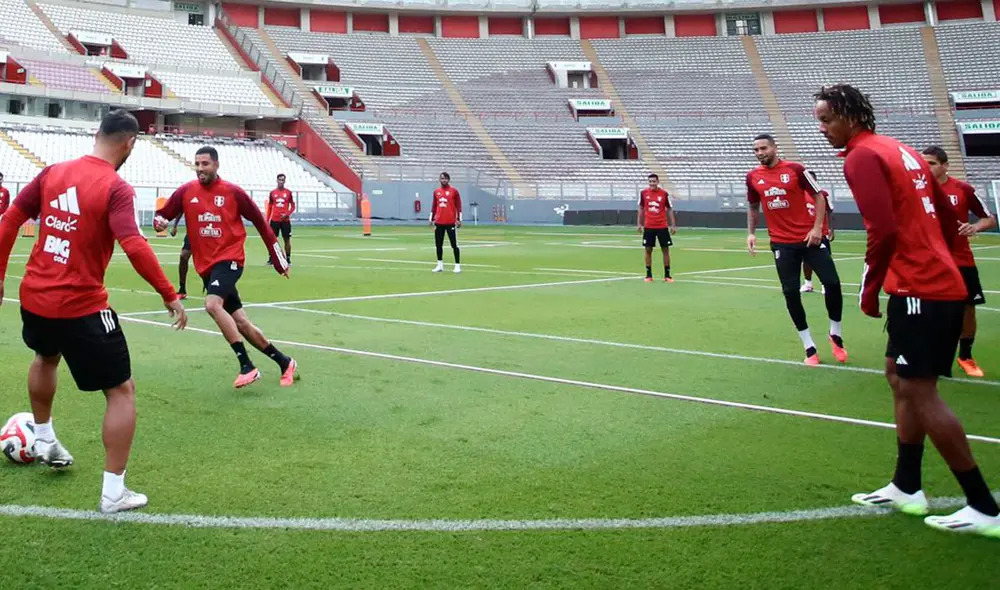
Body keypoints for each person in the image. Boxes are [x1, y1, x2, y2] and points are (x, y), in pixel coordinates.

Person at [815, 83, 999, 537]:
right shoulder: (904, 150)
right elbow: (947, 218)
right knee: (898, 378)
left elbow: (883, 229)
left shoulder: (861, 156)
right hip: (931, 281)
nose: (822, 128)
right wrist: (945, 261)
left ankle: (983, 507)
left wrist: (868, 289)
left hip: (920, 286)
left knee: (920, 390)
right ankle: (906, 486)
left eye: (826, 119)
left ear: (850, 117)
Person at [0, 110, 187, 513]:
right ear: (130, 143)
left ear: (97, 134)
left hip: (34, 298)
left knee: (45, 356)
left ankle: (44, 439)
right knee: (121, 390)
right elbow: (133, 244)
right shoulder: (116, 187)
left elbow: (10, 220)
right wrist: (168, 293)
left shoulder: (52, 172)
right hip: (81, 306)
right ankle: (113, 493)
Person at [154, 147, 297, 388]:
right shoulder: (186, 191)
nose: (200, 168)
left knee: (212, 304)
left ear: (216, 165)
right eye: (197, 164)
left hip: (230, 259)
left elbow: (261, 223)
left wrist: (278, 259)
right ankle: (285, 362)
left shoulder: (233, 192)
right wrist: (160, 221)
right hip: (206, 267)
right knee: (241, 322)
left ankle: (247, 366)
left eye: (205, 164)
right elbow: (163, 215)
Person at [746, 134, 847, 365]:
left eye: (763, 148)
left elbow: (819, 196)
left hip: (809, 239)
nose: (760, 153)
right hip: (781, 243)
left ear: (774, 148)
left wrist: (817, 228)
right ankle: (809, 346)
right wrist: (751, 233)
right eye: (756, 150)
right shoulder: (753, 177)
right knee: (791, 292)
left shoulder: (796, 169)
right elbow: (753, 206)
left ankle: (835, 334)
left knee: (832, 283)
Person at [921, 146, 996, 377]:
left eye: (932, 163)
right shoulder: (916, 189)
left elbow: (989, 218)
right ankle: (933, 356)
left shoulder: (962, 189)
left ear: (945, 166)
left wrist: (974, 227)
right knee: (930, 310)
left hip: (961, 260)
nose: (927, 168)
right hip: (929, 261)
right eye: (924, 163)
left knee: (967, 309)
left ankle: (965, 356)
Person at [637, 173, 677, 282]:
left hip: (662, 226)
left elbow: (669, 208)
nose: (652, 183)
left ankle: (667, 275)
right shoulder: (643, 193)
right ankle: (648, 275)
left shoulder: (664, 194)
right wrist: (639, 223)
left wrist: (673, 225)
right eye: (650, 181)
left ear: (658, 182)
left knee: (665, 249)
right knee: (648, 249)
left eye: (654, 181)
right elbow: (641, 208)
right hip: (649, 226)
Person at [801, 171, 834, 295]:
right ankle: (808, 283)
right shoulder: (799, 194)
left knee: (824, 259)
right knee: (806, 260)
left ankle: (825, 284)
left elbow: (829, 211)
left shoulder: (822, 194)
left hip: (821, 232)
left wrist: (831, 229)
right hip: (805, 233)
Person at [430, 171, 461, 273]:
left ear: (448, 179)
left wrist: (459, 219)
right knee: (438, 245)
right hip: (439, 222)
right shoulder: (436, 192)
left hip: (450, 222)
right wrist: (431, 218)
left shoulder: (454, 191)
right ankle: (440, 265)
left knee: (454, 244)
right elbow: (434, 206)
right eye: (442, 178)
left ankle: (457, 265)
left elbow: (458, 206)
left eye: (445, 178)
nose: (444, 180)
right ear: (440, 180)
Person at [265, 173, 295, 266]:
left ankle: (288, 259)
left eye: (282, 180)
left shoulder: (288, 193)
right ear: (277, 180)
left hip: (285, 221)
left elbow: (293, 206)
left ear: (285, 181)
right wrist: (267, 219)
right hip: (274, 220)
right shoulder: (272, 193)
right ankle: (271, 258)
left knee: (287, 240)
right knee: (272, 240)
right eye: (279, 180)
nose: (281, 182)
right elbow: (270, 206)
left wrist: (287, 214)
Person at [169, 217, 191, 300]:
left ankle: (213, 289)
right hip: (193, 232)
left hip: (208, 231)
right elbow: (180, 211)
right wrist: (175, 226)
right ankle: (182, 289)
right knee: (183, 256)